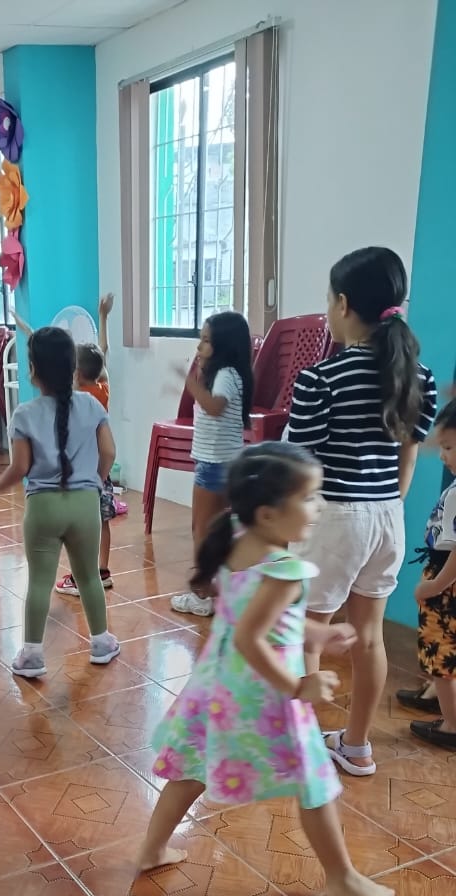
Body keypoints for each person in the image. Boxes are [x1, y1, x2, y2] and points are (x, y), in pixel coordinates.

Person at [142, 442, 394, 896]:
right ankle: (341, 878)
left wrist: (318, 632)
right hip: (266, 692)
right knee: (314, 781)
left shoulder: (236, 534)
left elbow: (261, 616)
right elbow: (250, 637)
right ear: (269, 514)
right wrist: (298, 686)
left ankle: (152, 849)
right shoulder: (285, 570)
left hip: (219, 684)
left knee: (192, 766)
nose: (320, 507)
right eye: (310, 497)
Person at [288, 246, 436, 777]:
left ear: (344, 304)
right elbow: (408, 456)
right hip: (387, 516)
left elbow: (297, 466)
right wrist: (386, 504)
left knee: (308, 628)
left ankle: (303, 748)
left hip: (332, 517)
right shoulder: (420, 376)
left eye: (329, 300)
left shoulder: (321, 378)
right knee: (369, 637)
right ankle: (356, 746)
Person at [0, 326, 120, 677]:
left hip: (42, 507)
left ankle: (32, 655)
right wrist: (95, 481)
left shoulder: (24, 414)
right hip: (85, 505)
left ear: (32, 371)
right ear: (73, 369)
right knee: (88, 577)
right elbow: (108, 451)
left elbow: (20, 467)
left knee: (40, 582)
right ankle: (101, 643)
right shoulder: (91, 404)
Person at [171, 311, 253, 618]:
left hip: (214, 464)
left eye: (206, 340)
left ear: (223, 345)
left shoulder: (225, 375)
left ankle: (201, 595)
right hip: (227, 463)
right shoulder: (231, 374)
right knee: (220, 530)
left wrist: (189, 384)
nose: (199, 346)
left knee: (202, 530)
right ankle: (222, 590)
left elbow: (215, 406)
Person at [53, 293, 118, 596]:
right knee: (102, 521)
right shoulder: (103, 389)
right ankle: (101, 571)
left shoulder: (74, 398)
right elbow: (103, 354)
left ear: (76, 374)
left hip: (80, 474)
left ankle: (81, 578)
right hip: (101, 472)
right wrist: (103, 317)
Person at [407, 400, 456, 749]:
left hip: (446, 583)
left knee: (441, 660)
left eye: (449, 447)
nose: (442, 455)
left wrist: (435, 585)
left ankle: (451, 726)